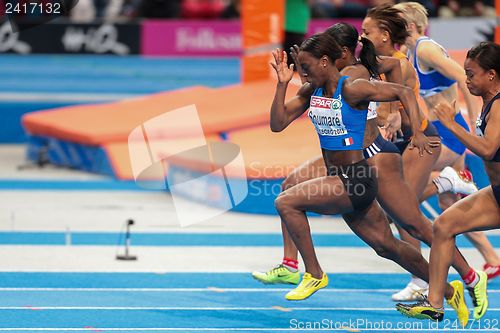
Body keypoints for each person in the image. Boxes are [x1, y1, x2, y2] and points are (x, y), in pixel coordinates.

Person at [253, 24, 473, 326]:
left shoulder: (352, 87)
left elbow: (404, 91)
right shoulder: (310, 90)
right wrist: (281, 84)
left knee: (286, 202)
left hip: (355, 179)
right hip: (340, 180)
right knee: (388, 247)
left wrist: (417, 131)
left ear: (326, 61)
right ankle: (450, 292)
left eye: (306, 67)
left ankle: (313, 274)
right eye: (299, 69)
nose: (302, 75)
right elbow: (278, 124)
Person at [391, 1, 499, 299]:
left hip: (448, 133)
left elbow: (465, 76)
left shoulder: (425, 49)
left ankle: (420, 280)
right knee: (450, 208)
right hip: (446, 129)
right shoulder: (411, 51)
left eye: (394, 21)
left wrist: (476, 113)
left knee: (403, 203)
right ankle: (491, 259)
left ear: (409, 25)